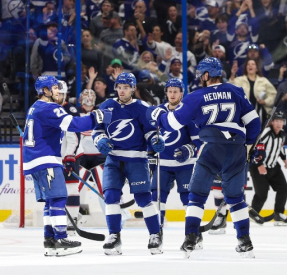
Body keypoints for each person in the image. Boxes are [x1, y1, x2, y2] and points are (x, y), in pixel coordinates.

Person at [147, 57, 261, 258]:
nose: (200, 78)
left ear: (207, 75)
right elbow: (254, 122)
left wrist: (159, 116)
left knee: (197, 196)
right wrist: (249, 146)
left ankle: (190, 239)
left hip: (212, 147)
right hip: (236, 148)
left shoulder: (196, 96)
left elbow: (173, 123)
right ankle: (245, 241)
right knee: (235, 199)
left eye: (202, 75)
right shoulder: (236, 91)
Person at [22, 75, 108, 257]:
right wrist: (95, 117)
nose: (58, 91)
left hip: (35, 160)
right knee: (60, 196)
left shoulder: (35, 107)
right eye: (54, 88)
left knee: (50, 200)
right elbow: (74, 124)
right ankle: (61, 238)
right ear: (45, 91)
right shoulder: (49, 108)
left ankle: (49, 239)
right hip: (45, 160)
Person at [92, 72, 164, 256]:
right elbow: (98, 129)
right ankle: (114, 235)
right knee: (110, 197)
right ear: (115, 88)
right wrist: (100, 139)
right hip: (114, 158)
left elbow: (150, 132)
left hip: (137, 158)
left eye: (126, 87)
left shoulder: (142, 108)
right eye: (119, 87)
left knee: (143, 199)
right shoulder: (108, 106)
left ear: (133, 88)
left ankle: (155, 234)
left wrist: (155, 141)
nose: (122, 90)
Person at [150, 78, 201, 230]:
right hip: (163, 164)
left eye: (175, 92)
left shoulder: (188, 112)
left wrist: (189, 149)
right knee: (157, 197)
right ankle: (156, 231)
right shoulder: (159, 111)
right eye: (170, 91)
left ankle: (193, 233)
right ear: (166, 92)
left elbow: (198, 140)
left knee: (188, 197)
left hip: (185, 164)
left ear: (181, 93)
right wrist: (152, 150)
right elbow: (150, 135)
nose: (172, 95)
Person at [249, 111, 287, 226]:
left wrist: (284, 159)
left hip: (274, 167)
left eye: (281, 121)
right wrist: (259, 164)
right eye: (277, 121)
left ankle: (278, 214)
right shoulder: (266, 133)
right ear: (272, 122)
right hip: (258, 167)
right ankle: (253, 214)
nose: (279, 124)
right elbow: (256, 147)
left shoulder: (282, 134)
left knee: (283, 189)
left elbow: (280, 147)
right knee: (261, 194)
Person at [55, 80, 82, 235]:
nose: (58, 97)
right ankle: (58, 223)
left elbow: (74, 137)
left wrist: (69, 157)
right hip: (53, 158)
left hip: (69, 157)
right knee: (54, 192)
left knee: (72, 188)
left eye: (60, 94)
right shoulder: (47, 110)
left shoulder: (69, 110)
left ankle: (72, 221)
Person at [229, 59, 277, 128]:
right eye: (248, 64)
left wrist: (265, 101)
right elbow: (230, 88)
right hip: (244, 113)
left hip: (260, 114)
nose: (250, 66)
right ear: (246, 68)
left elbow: (273, 94)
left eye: (253, 64)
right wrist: (233, 74)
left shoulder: (263, 81)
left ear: (257, 68)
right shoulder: (239, 80)